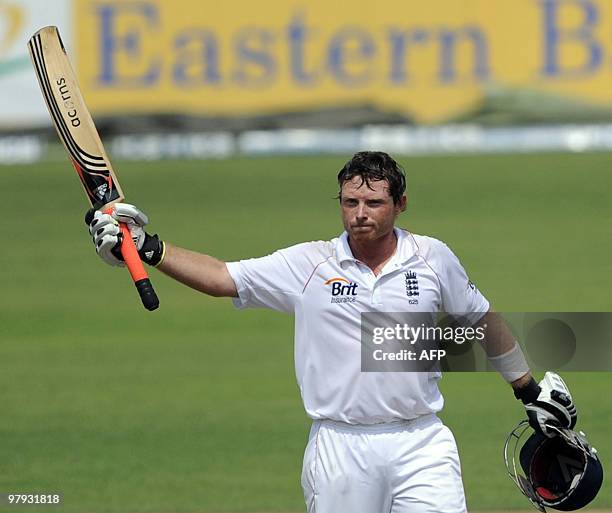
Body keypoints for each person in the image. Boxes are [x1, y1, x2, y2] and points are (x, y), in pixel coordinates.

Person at [87, 151, 577, 513]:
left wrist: (528, 390)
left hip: (421, 441)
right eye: (349, 202)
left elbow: (482, 320)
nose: (360, 213)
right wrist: (149, 246)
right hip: (340, 448)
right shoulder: (309, 264)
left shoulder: (432, 259)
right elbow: (222, 277)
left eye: (373, 202)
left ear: (400, 204)